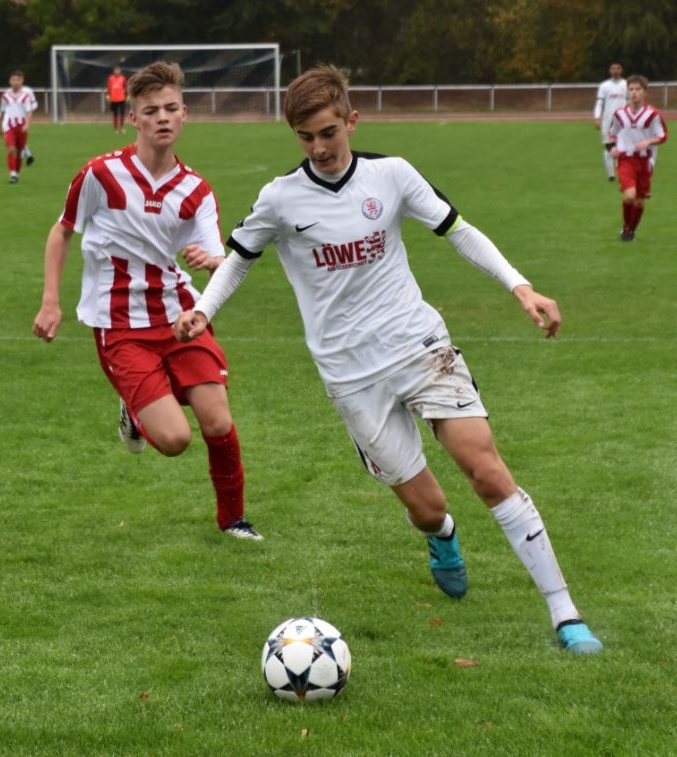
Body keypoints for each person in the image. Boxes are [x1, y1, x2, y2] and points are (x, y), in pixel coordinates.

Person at [174, 64, 602, 653]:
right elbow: (239, 259)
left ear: (352, 120)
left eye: (329, 132)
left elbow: (458, 229)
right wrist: (203, 309)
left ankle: (564, 613)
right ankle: (441, 535)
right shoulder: (280, 198)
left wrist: (520, 286)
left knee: (486, 470)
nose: (319, 148)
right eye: (305, 137)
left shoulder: (392, 175)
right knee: (428, 509)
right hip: (350, 375)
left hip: (419, 347)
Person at [32, 61, 263, 541]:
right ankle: (136, 410)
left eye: (171, 108)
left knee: (218, 420)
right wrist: (50, 301)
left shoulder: (196, 190)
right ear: (133, 117)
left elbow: (221, 262)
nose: (162, 117)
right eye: (151, 110)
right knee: (175, 439)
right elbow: (62, 231)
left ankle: (234, 520)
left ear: (185, 114)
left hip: (179, 314)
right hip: (118, 324)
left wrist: (211, 262)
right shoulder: (101, 174)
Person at [608, 74, 668, 242]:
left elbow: (663, 136)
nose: (634, 93)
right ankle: (626, 229)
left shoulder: (653, 114)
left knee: (639, 202)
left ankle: (631, 230)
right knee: (629, 196)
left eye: (638, 89)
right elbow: (612, 134)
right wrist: (613, 148)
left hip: (645, 161)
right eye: (631, 89)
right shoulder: (619, 114)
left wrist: (648, 141)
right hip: (625, 159)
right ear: (627, 92)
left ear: (645, 92)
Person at [0, 70, 37, 184]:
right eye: (13, 80)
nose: (16, 82)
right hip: (8, 125)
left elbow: (29, 111)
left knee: (19, 151)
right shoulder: (5, 96)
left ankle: (16, 174)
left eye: (18, 80)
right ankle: (13, 174)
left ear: (22, 81)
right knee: (11, 149)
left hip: (21, 126)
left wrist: (27, 124)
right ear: (10, 81)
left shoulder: (25, 96)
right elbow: (2, 112)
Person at [593, 62, 627, 181]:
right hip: (608, 121)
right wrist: (597, 117)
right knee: (609, 146)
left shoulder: (626, 84)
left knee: (623, 146)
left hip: (624, 120)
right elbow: (599, 103)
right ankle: (611, 175)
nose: (616, 70)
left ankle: (621, 171)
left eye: (618, 68)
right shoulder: (604, 86)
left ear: (621, 70)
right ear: (610, 71)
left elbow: (631, 102)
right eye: (613, 68)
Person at [107, 65, 128, 133]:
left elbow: (125, 87)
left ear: (120, 71)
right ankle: (115, 128)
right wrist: (108, 95)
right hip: (113, 99)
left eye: (118, 70)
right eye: (116, 70)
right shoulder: (110, 78)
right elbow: (109, 87)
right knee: (115, 114)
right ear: (114, 71)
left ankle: (122, 128)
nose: (117, 71)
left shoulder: (123, 78)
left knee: (122, 113)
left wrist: (127, 95)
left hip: (121, 98)